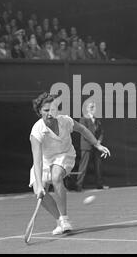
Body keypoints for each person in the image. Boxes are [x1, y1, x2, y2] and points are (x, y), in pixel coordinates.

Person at [28, 92, 110, 235]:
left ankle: (65, 218)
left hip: (64, 155)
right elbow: (37, 160)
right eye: (46, 110)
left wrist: (97, 145)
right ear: (40, 111)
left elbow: (83, 130)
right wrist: (40, 185)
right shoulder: (36, 131)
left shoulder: (65, 121)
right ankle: (59, 221)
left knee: (56, 177)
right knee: (38, 192)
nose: (50, 113)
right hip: (44, 160)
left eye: (53, 109)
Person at [75, 102, 109, 191]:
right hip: (87, 146)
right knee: (83, 166)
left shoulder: (97, 120)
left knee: (98, 166)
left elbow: (101, 132)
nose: (93, 108)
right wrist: (94, 143)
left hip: (97, 147)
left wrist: (99, 142)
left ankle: (100, 185)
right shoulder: (83, 119)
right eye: (91, 107)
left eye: (94, 107)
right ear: (87, 108)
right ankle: (78, 186)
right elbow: (84, 132)